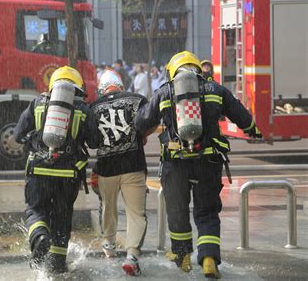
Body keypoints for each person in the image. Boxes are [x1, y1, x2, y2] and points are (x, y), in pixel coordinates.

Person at [134, 51, 262, 279]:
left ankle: (182, 256)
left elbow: (142, 121)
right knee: (207, 212)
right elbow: (241, 115)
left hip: (175, 164)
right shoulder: (216, 89)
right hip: (208, 161)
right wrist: (253, 129)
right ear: (197, 68)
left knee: (177, 210)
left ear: (172, 71)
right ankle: (209, 258)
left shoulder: (164, 91)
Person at [13, 66, 98, 275]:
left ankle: (40, 236)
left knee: (36, 209)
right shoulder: (83, 109)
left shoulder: (38, 103)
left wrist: (35, 139)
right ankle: (58, 264)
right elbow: (96, 141)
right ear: (77, 87)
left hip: (39, 172)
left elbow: (17, 135)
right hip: (68, 176)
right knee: (62, 216)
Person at [90, 70, 148, 276]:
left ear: (102, 89)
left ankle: (109, 247)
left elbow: (92, 141)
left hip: (107, 169)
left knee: (108, 207)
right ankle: (132, 256)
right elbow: (147, 124)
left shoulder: (94, 107)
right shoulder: (137, 99)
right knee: (136, 214)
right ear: (121, 85)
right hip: (133, 166)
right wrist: (141, 136)